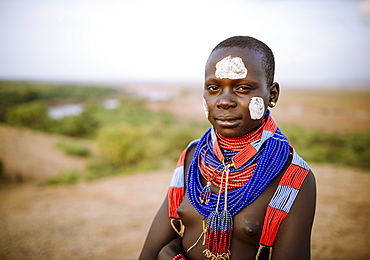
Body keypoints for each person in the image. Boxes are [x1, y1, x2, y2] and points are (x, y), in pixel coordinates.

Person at [139, 36, 316, 260]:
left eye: (242, 88)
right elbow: (149, 252)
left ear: (272, 94)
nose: (224, 101)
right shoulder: (192, 157)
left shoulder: (294, 177)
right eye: (213, 88)